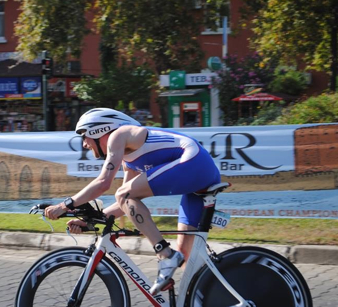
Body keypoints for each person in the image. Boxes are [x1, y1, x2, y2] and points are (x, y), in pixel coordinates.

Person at [44, 107, 220, 295]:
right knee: (185, 256)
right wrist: (88, 222)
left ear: (98, 130)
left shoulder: (118, 135)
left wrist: (65, 205)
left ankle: (164, 253)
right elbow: (125, 205)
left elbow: (104, 183)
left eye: (84, 135)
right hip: (198, 175)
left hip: (193, 161)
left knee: (124, 194)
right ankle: (200, 297)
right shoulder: (129, 160)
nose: (85, 144)